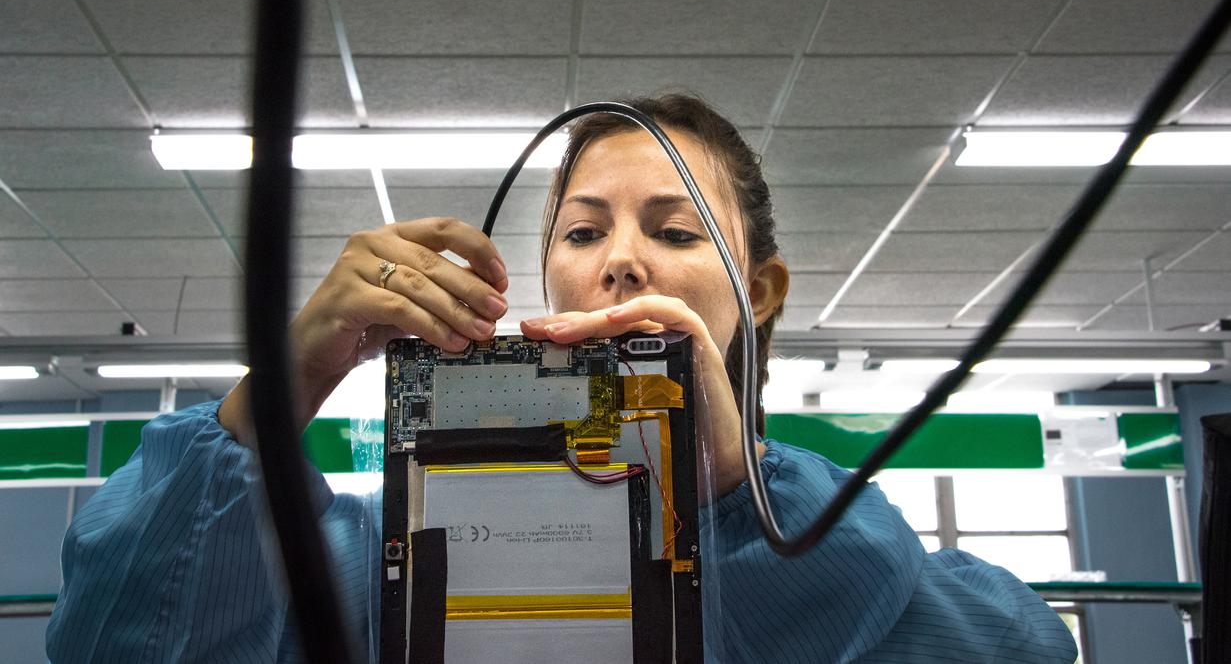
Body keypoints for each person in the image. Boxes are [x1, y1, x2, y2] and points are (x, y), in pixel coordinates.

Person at [46, 94, 1078, 663]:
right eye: (582, 233)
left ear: (757, 290)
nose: (620, 259)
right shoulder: (381, 559)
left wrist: (732, 498)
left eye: (676, 231)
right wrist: (285, 380)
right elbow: (117, 642)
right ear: (549, 284)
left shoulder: (886, 581)